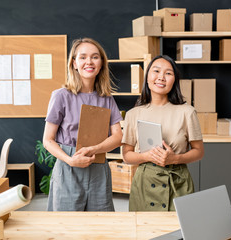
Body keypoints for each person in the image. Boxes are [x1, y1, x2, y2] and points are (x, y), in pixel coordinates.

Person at [43, 38, 123, 211]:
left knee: (100, 226)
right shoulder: (61, 96)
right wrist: (70, 160)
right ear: (74, 63)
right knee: (67, 227)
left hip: (98, 167)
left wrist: (94, 149)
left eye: (95, 57)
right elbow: (48, 140)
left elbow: (118, 137)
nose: (89, 62)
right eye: (83, 57)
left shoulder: (107, 98)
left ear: (101, 64)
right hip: (68, 167)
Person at [122, 55, 204, 211]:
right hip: (145, 184)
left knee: (179, 232)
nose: (161, 77)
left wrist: (175, 158)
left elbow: (199, 152)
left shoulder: (187, 112)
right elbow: (126, 155)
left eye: (168, 73)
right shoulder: (134, 114)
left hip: (178, 182)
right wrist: (147, 156)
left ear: (174, 81)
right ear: (147, 78)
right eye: (156, 71)